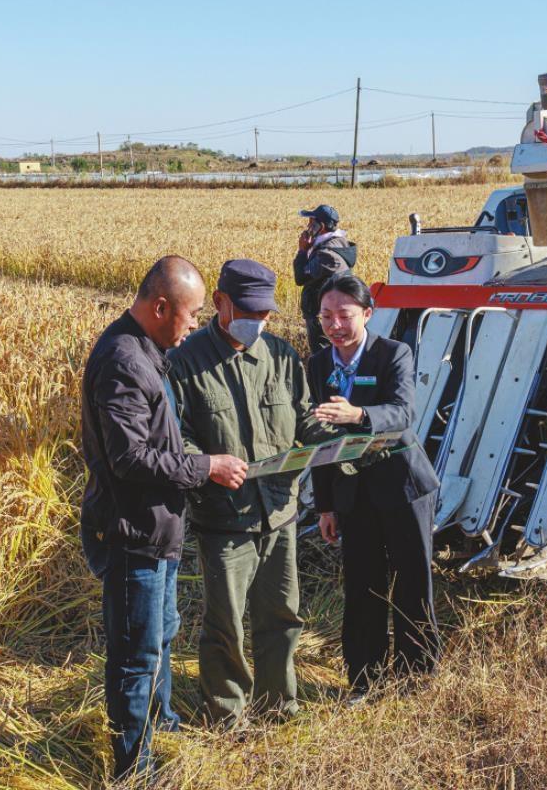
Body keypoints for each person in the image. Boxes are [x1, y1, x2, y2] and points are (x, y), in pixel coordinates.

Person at [79, 255, 248, 780]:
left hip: (159, 528)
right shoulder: (124, 361)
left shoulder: (147, 350)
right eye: (192, 313)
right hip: (134, 532)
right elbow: (130, 459)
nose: (197, 323)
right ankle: (135, 768)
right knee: (134, 656)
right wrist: (206, 465)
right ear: (160, 306)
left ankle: (163, 722)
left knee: (162, 634)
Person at [168, 258, 331, 727]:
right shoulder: (185, 362)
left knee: (282, 615)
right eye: (248, 313)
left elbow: (303, 417)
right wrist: (210, 466)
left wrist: (334, 436)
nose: (257, 323)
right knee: (225, 624)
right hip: (225, 517)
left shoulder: (280, 356)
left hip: (279, 512)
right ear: (220, 302)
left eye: (264, 315)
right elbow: (175, 437)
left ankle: (280, 705)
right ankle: (227, 715)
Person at [308, 273, 442, 697]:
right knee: (362, 584)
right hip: (352, 493)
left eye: (344, 315)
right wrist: (325, 505)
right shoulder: (316, 365)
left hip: (403, 487)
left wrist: (359, 416)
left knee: (412, 579)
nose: (334, 325)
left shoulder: (392, 354)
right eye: (326, 316)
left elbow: (403, 413)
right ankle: (364, 678)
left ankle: (416, 676)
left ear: (367, 313)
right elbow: (317, 439)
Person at [293, 204, 356, 351]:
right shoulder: (337, 246)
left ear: (319, 226)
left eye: (310, 223)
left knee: (324, 359)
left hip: (326, 319)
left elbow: (300, 278)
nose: (307, 227)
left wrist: (302, 251)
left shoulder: (327, 255)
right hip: (332, 317)